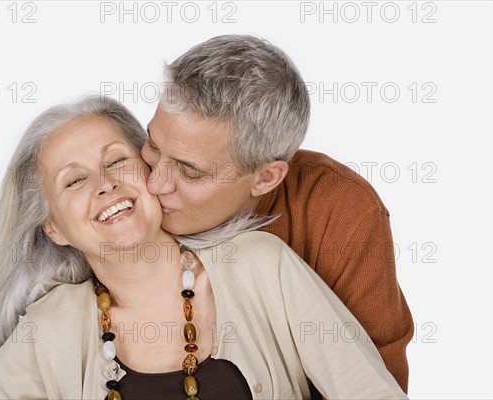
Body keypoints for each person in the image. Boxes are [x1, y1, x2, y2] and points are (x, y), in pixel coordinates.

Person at [0, 95, 407, 399]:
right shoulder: (45, 331)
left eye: (116, 160)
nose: (105, 185)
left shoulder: (261, 266)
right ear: (53, 227)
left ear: (150, 168)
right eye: (75, 179)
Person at [142, 34, 414, 393]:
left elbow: (373, 379)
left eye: (190, 172)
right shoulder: (124, 182)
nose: (155, 183)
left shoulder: (342, 212)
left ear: (266, 177)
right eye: (152, 144)